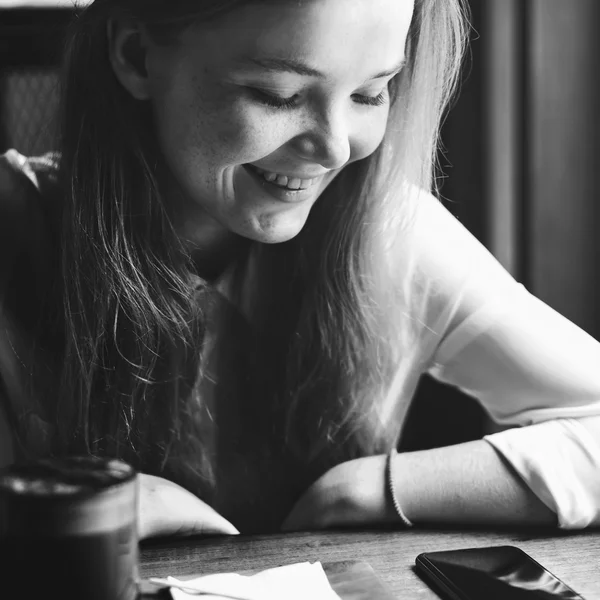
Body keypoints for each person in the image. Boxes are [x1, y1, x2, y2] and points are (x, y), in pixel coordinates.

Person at [0, 0, 599, 540]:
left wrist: (375, 489)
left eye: (371, 93)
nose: (336, 147)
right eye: (279, 95)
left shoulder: (388, 231)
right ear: (135, 56)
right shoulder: (17, 225)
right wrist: (92, 504)